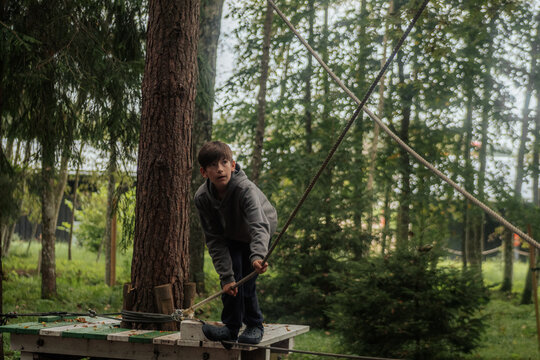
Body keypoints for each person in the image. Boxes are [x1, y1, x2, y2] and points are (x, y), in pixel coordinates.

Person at [194, 141, 278, 344]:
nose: (220, 169)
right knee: (231, 281)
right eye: (213, 165)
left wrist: (258, 256)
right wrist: (226, 276)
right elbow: (214, 239)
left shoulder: (244, 189)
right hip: (231, 234)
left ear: (233, 165)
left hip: (259, 230)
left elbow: (259, 225)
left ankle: (254, 325)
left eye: (224, 162)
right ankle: (231, 328)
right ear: (204, 172)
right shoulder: (202, 198)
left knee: (246, 281)